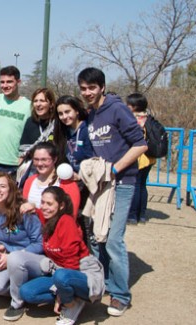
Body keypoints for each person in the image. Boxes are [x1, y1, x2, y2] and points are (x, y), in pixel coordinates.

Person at [78, 67, 147, 316]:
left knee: (114, 239)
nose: (87, 92)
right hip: (101, 185)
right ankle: (104, 282)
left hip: (121, 182)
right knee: (97, 236)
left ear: (102, 87)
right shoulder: (91, 114)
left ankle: (120, 295)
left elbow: (140, 145)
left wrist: (115, 170)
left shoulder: (116, 109)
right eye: (83, 88)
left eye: (92, 87)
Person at [19, 187, 105, 325]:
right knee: (26, 292)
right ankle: (72, 297)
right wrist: (32, 206)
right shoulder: (46, 218)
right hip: (60, 270)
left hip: (78, 270)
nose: (44, 207)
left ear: (61, 206)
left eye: (49, 203)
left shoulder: (65, 222)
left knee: (61, 276)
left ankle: (70, 303)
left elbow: (71, 262)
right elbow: (8, 227)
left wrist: (60, 295)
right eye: (42, 202)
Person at [0, 172, 44, 321]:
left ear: (11, 190)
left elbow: (39, 243)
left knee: (15, 259)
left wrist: (13, 255)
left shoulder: (23, 211)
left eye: (3, 186)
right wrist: (2, 248)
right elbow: (4, 241)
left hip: (33, 259)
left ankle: (18, 304)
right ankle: (27, 289)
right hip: (10, 260)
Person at [0, 66, 32, 178]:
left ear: (18, 82)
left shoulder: (29, 106)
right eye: (2, 82)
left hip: (15, 164)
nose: (5, 85)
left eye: (9, 82)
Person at [20, 142, 81, 217]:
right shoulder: (29, 181)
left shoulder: (67, 184)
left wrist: (36, 211)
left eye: (44, 160)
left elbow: (71, 216)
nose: (39, 163)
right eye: (36, 159)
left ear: (54, 159)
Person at [126, 93, 155, 225]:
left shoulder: (133, 119)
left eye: (129, 104)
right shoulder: (148, 118)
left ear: (135, 106)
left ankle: (132, 216)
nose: (127, 106)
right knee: (142, 185)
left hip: (138, 156)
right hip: (149, 156)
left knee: (136, 185)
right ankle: (142, 215)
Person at [52, 95, 93, 176]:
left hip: (88, 179)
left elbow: (92, 160)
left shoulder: (87, 130)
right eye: (60, 114)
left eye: (67, 112)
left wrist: (80, 177)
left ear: (77, 111)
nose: (64, 117)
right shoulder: (64, 132)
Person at [19, 88, 56, 161]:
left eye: (42, 101)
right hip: (33, 166)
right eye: (35, 101)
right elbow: (23, 151)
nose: (38, 104)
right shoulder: (30, 122)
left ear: (51, 104)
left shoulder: (58, 123)